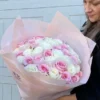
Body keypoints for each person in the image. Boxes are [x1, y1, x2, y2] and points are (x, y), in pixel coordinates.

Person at [57, 0, 100, 100]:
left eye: (95, 3)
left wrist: (71, 98)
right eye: (85, 2)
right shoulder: (88, 26)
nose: (87, 9)